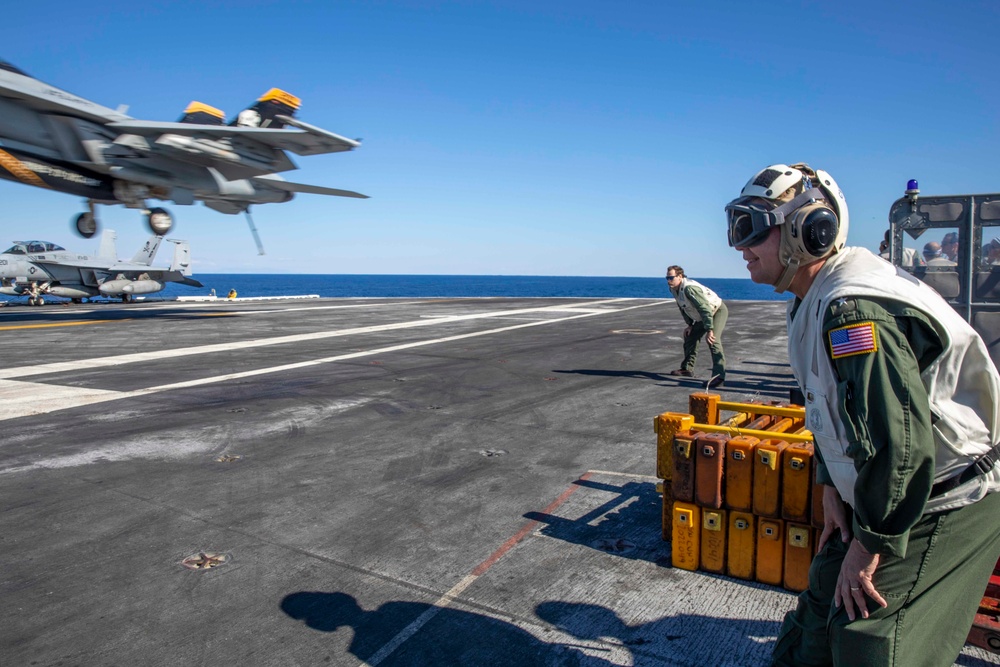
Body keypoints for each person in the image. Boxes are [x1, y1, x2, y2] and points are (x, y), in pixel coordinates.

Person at [725, 163, 1000, 666]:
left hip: (944, 494)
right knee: (813, 623)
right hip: (887, 492)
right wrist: (833, 483)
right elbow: (832, 409)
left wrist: (869, 544)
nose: (739, 245)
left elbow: (902, 445)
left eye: (751, 228)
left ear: (809, 230)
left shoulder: (853, 310)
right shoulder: (814, 297)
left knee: (868, 641)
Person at [664, 265, 727, 388]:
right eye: (667, 277)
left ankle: (719, 377)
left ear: (680, 276)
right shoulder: (673, 288)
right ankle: (687, 368)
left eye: (671, 277)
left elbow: (705, 309)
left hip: (716, 311)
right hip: (704, 315)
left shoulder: (690, 289)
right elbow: (682, 306)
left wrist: (710, 330)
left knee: (713, 341)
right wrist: (690, 325)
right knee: (690, 336)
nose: (668, 280)